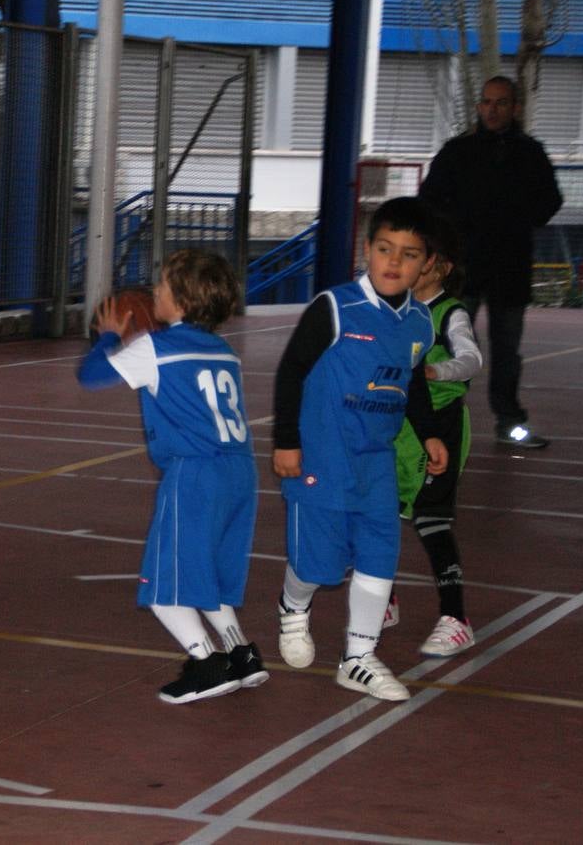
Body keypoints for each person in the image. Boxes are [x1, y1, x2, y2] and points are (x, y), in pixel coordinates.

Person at [273, 196, 450, 702]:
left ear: (426, 264)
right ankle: (292, 607)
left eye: (409, 254)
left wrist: (431, 430)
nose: (394, 263)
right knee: (319, 566)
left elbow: (411, 383)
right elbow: (291, 372)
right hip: (323, 457)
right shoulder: (334, 307)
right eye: (385, 249)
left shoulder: (420, 324)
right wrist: (286, 440)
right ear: (367, 250)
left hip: (377, 461)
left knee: (379, 555)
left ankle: (359, 657)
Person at [77, 249, 264, 704]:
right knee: (208, 576)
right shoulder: (225, 351)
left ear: (179, 300)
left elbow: (91, 375)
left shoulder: (156, 347)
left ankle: (207, 664)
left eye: (160, 286)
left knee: (164, 586)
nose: (153, 293)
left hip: (196, 474)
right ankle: (242, 654)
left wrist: (106, 337)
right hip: (241, 471)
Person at [418, 75, 562, 449]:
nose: (492, 109)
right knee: (451, 345)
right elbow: (429, 199)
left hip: (511, 268)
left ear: (515, 107)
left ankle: (510, 421)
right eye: (486, 102)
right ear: (479, 106)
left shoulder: (531, 153)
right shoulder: (456, 152)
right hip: (464, 267)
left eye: (500, 103)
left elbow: (550, 201)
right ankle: (441, 424)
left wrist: (515, 218)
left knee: (506, 350)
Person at [392, 223, 480, 658]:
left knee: (431, 520)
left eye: (415, 255)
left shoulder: (450, 313)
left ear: (438, 267)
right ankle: (382, 597)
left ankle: (456, 617)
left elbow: (470, 360)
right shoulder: (396, 308)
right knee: (379, 513)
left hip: (441, 424)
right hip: (399, 428)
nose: (404, 262)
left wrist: (434, 371)